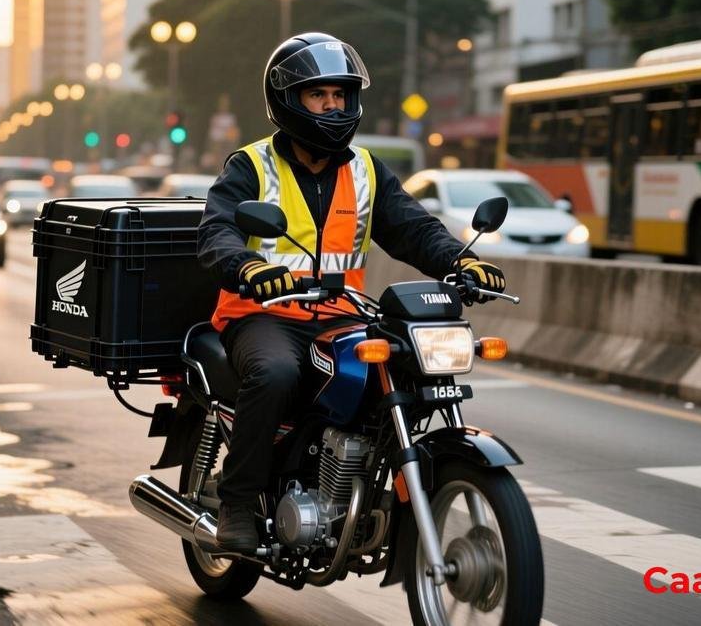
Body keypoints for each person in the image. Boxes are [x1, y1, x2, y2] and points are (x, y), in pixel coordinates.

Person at [197, 33, 507, 553]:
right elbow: (217, 231)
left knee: (399, 373)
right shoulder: (251, 165)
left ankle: (363, 488)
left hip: (344, 317)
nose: (333, 106)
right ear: (288, 100)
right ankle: (239, 502)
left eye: (340, 95)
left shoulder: (365, 169)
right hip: (264, 315)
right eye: (319, 95)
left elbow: (412, 228)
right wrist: (248, 266)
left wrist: (462, 261)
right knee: (276, 374)